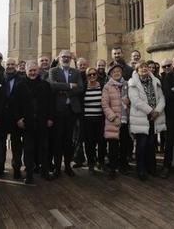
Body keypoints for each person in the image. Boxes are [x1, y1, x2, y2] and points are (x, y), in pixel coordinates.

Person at [15, 61, 55, 183]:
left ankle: (44, 172)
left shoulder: (45, 85)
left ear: (38, 71)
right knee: (28, 149)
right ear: (26, 71)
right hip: (28, 123)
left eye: (34, 70)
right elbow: (14, 104)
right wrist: (18, 118)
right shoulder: (20, 85)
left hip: (42, 121)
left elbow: (51, 103)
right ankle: (29, 174)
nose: (32, 73)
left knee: (44, 148)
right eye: (30, 71)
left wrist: (50, 118)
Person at [47, 50, 84, 178]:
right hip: (58, 110)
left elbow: (80, 88)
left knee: (69, 141)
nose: (66, 59)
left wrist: (64, 91)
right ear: (59, 58)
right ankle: (57, 168)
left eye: (68, 57)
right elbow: (52, 85)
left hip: (72, 110)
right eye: (63, 57)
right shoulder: (53, 71)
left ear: (71, 58)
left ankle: (68, 166)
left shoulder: (76, 72)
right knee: (57, 140)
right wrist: (69, 85)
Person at [128, 62, 166, 181]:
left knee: (151, 144)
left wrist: (157, 111)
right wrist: (150, 111)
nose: (144, 69)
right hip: (141, 117)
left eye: (145, 67)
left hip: (153, 117)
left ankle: (152, 168)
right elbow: (135, 100)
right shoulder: (132, 82)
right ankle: (141, 170)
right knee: (141, 145)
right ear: (137, 70)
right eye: (141, 68)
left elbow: (161, 98)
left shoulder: (155, 81)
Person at [2, 58, 30, 180]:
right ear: (5, 65)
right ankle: (2, 166)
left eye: (13, 64)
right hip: (3, 116)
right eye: (8, 64)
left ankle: (18, 168)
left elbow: (25, 101)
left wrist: (21, 117)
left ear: (16, 66)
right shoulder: (0, 79)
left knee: (18, 144)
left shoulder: (22, 80)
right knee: (5, 144)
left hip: (17, 117)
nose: (10, 66)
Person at [101, 65, 130, 179]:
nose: (117, 73)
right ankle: (112, 169)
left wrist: (129, 102)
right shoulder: (107, 86)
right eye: (114, 72)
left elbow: (132, 99)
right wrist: (113, 118)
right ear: (110, 74)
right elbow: (105, 105)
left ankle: (123, 165)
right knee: (113, 147)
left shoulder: (127, 84)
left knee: (124, 145)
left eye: (119, 71)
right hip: (113, 121)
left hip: (125, 119)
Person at [82, 67, 106, 173]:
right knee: (89, 142)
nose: (92, 76)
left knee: (101, 141)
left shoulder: (102, 86)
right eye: (89, 75)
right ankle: (91, 162)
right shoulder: (83, 87)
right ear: (86, 76)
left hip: (100, 118)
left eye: (94, 74)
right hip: (87, 120)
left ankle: (101, 161)